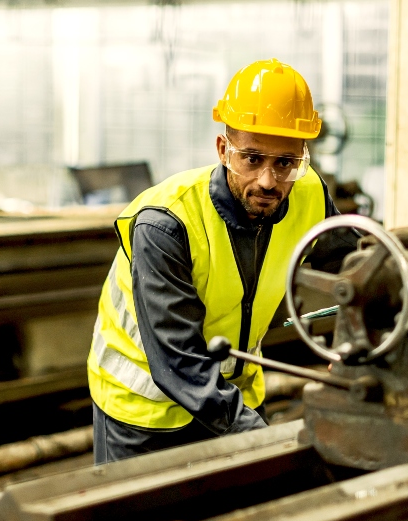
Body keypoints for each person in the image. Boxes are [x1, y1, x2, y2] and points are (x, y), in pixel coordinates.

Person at [87, 58, 358, 463]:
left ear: (303, 156)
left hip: (234, 395)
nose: (268, 180)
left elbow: (361, 273)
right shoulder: (167, 223)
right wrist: (261, 438)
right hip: (143, 412)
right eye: (252, 158)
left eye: (285, 163)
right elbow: (178, 358)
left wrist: (355, 350)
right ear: (222, 150)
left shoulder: (310, 195)